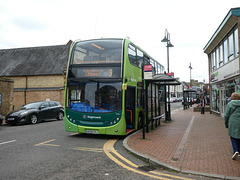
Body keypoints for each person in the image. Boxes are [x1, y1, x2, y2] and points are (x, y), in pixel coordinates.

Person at [224, 92, 240, 160]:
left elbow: (226, 115)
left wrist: (226, 123)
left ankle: (235, 151)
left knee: (233, 137)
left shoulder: (230, 104)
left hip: (233, 122)